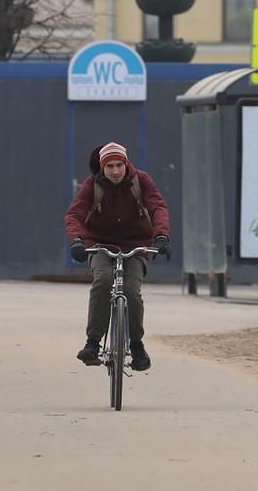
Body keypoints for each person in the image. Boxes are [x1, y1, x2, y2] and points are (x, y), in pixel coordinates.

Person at [63, 141, 171, 372]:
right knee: (102, 282)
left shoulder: (141, 181)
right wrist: (77, 241)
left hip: (135, 245)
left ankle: (137, 345)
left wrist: (161, 236)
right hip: (100, 244)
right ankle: (92, 343)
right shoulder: (92, 185)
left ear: (126, 163)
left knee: (131, 292)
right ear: (103, 168)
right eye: (110, 166)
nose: (115, 171)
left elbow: (157, 207)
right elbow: (75, 213)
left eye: (119, 165)